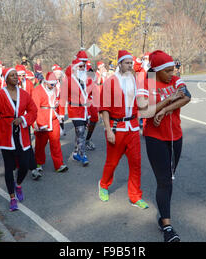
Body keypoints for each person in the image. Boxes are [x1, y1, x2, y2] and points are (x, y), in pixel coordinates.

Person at [136, 50, 191, 242]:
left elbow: (186, 97)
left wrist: (163, 109)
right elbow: (144, 112)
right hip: (155, 138)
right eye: (167, 71)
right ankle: (167, 226)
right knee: (164, 180)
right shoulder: (147, 82)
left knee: (170, 177)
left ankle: (164, 213)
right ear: (157, 71)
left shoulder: (176, 80)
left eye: (172, 70)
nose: (171, 74)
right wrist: (168, 99)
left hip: (176, 136)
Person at [98, 50, 149, 210]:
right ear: (119, 63)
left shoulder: (133, 79)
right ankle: (103, 185)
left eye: (131, 63)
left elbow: (138, 102)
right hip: (116, 127)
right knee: (112, 162)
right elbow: (104, 108)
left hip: (132, 127)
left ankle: (135, 196)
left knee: (136, 163)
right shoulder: (110, 82)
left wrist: (141, 119)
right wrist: (108, 130)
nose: (129, 65)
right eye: (126, 63)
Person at [0, 68, 38, 211]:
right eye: (12, 75)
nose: (15, 77)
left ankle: (18, 184)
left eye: (16, 75)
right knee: (8, 167)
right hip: (6, 135)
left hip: (22, 135)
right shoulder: (0, 95)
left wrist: (23, 119)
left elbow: (33, 110)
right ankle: (12, 198)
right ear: (6, 79)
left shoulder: (24, 94)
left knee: (25, 165)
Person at [32, 72, 68, 174]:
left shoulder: (56, 89)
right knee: (40, 144)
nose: (53, 86)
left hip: (54, 118)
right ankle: (38, 163)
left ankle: (59, 164)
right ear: (46, 82)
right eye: (51, 84)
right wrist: (39, 122)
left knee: (55, 142)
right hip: (42, 118)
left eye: (54, 84)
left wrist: (61, 115)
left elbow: (60, 101)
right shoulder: (37, 90)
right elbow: (35, 108)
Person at [59, 53, 91, 167]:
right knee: (81, 131)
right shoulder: (68, 80)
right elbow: (62, 97)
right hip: (74, 110)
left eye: (83, 66)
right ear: (74, 68)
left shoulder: (85, 79)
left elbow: (89, 94)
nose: (82, 68)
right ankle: (83, 155)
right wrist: (61, 114)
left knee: (80, 133)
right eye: (80, 66)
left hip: (84, 111)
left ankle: (76, 152)